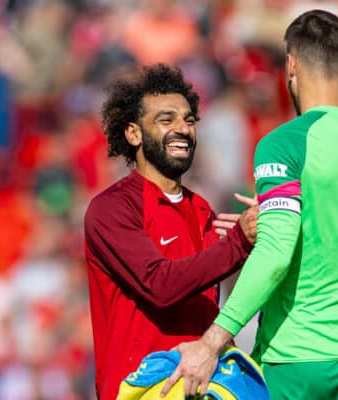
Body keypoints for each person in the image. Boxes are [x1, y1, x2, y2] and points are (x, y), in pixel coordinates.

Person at [162, 9, 338, 400]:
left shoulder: (285, 143)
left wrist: (212, 343)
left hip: (300, 359)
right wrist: (276, 210)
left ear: (291, 66)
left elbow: (276, 254)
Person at [83, 64, 258, 400]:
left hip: (200, 384)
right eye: (167, 120)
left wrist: (260, 241)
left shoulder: (202, 209)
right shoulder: (111, 208)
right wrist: (238, 243)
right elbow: (159, 285)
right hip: (140, 389)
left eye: (189, 120)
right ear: (133, 134)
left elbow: (207, 307)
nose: (183, 129)